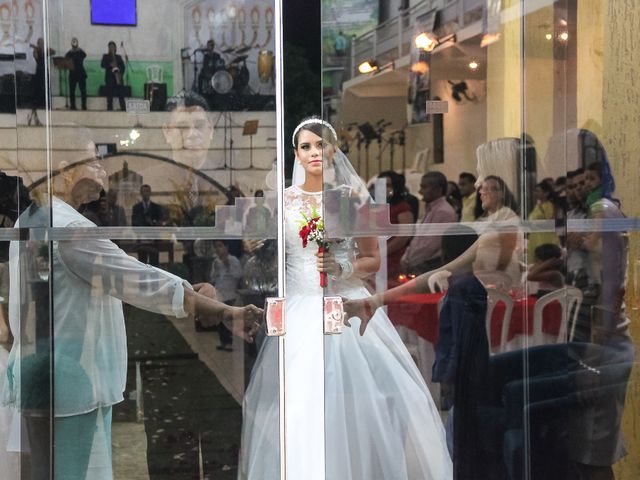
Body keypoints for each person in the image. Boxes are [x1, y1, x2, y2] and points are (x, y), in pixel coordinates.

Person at [0, 131, 263, 480]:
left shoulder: (32, 219)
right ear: (65, 171)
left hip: (41, 374)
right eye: (95, 162)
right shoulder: (69, 229)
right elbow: (137, 280)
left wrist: (187, 289)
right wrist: (221, 309)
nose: (103, 171)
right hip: (71, 382)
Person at [239, 117, 452, 480]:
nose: (313, 153)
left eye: (320, 146)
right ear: (296, 154)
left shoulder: (351, 200)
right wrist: (255, 244)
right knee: (299, 401)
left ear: (333, 150)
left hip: (343, 303)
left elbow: (372, 259)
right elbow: (273, 250)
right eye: (305, 147)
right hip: (299, 307)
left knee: (352, 400)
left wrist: (340, 269)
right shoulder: (285, 201)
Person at [399, 171, 457, 276]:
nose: (420, 191)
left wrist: (411, 261)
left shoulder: (443, 212)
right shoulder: (431, 209)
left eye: (424, 187)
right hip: (419, 264)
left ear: (438, 190)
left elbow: (430, 245)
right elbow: (418, 239)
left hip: (430, 266)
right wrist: (406, 257)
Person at [377, 170, 413, 285]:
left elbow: (404, 236)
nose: (384, 188)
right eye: (381, 185)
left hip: (392, 257)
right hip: (377, 256)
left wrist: (383, 251)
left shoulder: (402, 208)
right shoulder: (378, 206)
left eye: (388, 185)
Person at [210, 240, 243, 351]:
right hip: (219, 293)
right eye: (216, 247)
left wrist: (228, 265)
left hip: (230, 294)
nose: (218, 249)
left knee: (228, 319)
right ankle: (223, 341)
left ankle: (229, 342)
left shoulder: (233, 260)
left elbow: (238, 274)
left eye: (220, 246)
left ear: (226, 247)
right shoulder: (216, 262)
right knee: (220, 320)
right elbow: (213, 278)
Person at [527, 180, 561, 264]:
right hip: (535, 239)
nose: (535, 193)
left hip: (544, 241)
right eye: (535, 191)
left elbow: (551, 224)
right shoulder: (537, 206)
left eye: (538, 191)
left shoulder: (548, 206)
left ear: (546, 193)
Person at [131, 184, 164, 267]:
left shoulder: (156, 207)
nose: (145, 193)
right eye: (143, 192)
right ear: (141, 193)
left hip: (154, 241)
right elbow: (134, 224)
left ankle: (155, 280)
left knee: (155, 265)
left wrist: (152, 223)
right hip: (142, 241)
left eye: (147, 191)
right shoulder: (136, 208)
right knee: (142, 265)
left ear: (150, 193)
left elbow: (160, 223)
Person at [101, 41, 126, 111]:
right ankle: (109, 109)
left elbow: (123, 67)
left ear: (115, 48)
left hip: (118, 77)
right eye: (110, 47)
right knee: (109, 95)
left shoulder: (118, 57)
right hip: (109, 78)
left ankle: (123, 108)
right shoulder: (105, 56)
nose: (112, 48)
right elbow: (102, 65)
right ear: (108, 48)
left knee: (121, 94)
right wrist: (110, 65)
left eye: (113, 47)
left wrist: (120, 72)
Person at [65, 37, 87, 110]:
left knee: (83, 91)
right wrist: (72, 50)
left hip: (81, 73)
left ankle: (84, 105)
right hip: (72, 74)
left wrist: (78, 49)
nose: (74, 43)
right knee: (72, 91)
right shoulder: (69, 53)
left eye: (75, 42)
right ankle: (73, 106)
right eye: (73, 42)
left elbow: (84, 55)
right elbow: (66, 57)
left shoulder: (80, 52)